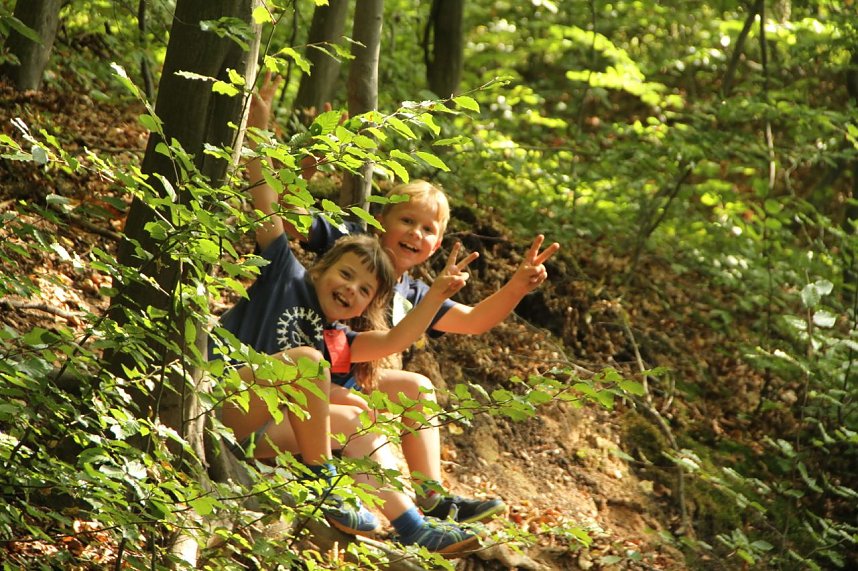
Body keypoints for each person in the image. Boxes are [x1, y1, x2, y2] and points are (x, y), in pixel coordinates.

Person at [248, 74, 561, 526]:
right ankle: (341, 478)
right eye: (407, 221)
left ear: (436, 245)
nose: (416, 233)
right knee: (332, 382)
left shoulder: (414, 293)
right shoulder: (349, 249)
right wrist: (306, 155)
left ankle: (431, 497)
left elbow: (471, 321)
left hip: (344, 379)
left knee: (418, 387)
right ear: (380, 223)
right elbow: (285, 216)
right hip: (291, 376)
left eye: (428, 229)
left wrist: (518, 286)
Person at [210, 77, 482, 557]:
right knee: (308, 362)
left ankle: (413, 524)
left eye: (364, 290)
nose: (350, 290)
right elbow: (262, 191)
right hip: (220, 408)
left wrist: (437, 291)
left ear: (366, 306)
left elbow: (397, 339)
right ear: (321, 266)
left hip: (256, 440)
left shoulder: (338, 338)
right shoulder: (282, 273)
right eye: (345, 275)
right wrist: (260, 115)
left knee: (358, 419)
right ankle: (323, 484)